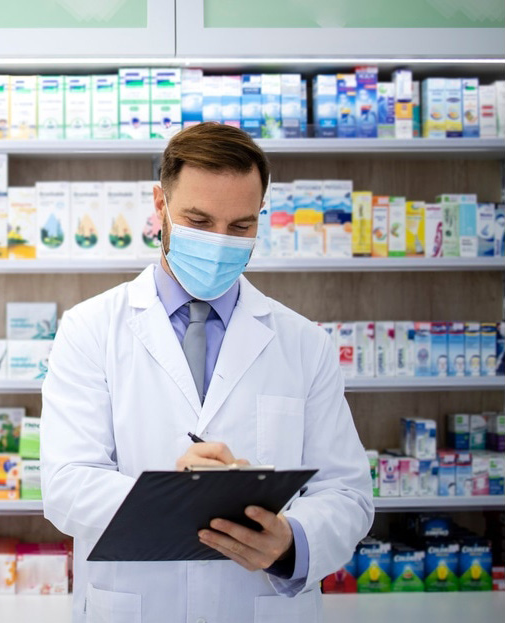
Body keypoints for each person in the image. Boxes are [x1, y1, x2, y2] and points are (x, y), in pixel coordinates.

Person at [41, 123, 374, 623]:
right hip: (135, 606)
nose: (220, 242)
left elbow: (348, 495)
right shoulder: (90, 329)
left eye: (240, 227)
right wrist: (173, 500)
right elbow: (66, 484)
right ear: (161, 206)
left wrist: (289, 542)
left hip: (258, 605)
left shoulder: (304, 343)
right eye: (198, 220)